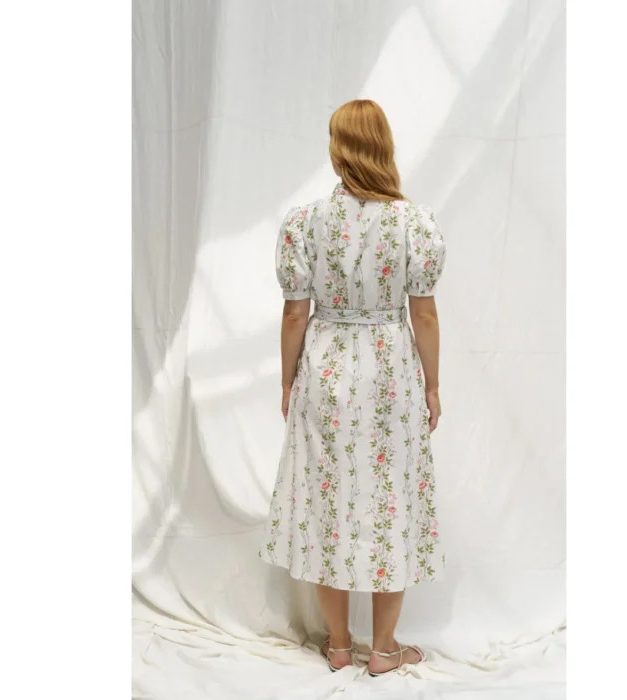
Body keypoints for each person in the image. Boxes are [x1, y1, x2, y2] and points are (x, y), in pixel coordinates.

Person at [259, 99, 446, 676]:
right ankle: (384, 650)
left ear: (338, 148)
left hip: (326, 371)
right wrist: (433, 386)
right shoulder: (414, 223)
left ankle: (339, 646)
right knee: (391, 501)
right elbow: (424, 315)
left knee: (328, 501)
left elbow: (295, 313)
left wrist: (288, 379)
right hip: (390, 374)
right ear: (383, 146)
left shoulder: (305, 223)